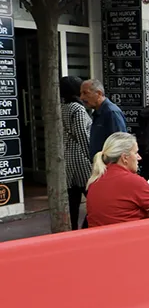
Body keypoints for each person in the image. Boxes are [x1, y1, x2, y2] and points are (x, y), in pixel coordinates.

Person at [86, 132, 149, 227]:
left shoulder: (95, 181)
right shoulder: (132, 181)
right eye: (136, 152)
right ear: (125, 158)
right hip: (130, 238)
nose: (139, 157)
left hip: (101, 239)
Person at [60, 76, 92, 230]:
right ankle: (87, 227)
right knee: (94, 197)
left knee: (73, 200)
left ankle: (72, 229)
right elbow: (82, 135)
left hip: (68, 157)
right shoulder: (77, 109)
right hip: (80, 157)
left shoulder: (62, 107)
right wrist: (91, 157)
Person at [81, 79, 126, 161]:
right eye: (81, 93)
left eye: (85, 93)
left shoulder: (111, 112)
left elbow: (120, 143)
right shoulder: (98, 113)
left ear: (98, 93)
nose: (82, 97)